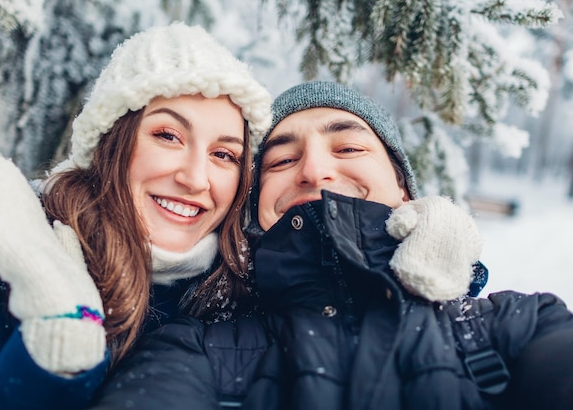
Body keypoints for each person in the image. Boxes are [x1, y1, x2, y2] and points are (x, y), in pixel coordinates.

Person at [90, 81, 573, 410]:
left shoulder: (522, 326)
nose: (313, 171)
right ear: (255, 206)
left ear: (403, 188)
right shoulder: (191, 348)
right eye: (280, 160)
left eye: (348, 148)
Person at [0, 22, 271, 410]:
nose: (194, 178)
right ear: (111, 143)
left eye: (224, 155)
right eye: (168, 135)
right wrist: (57, 346)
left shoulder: (250, 296)